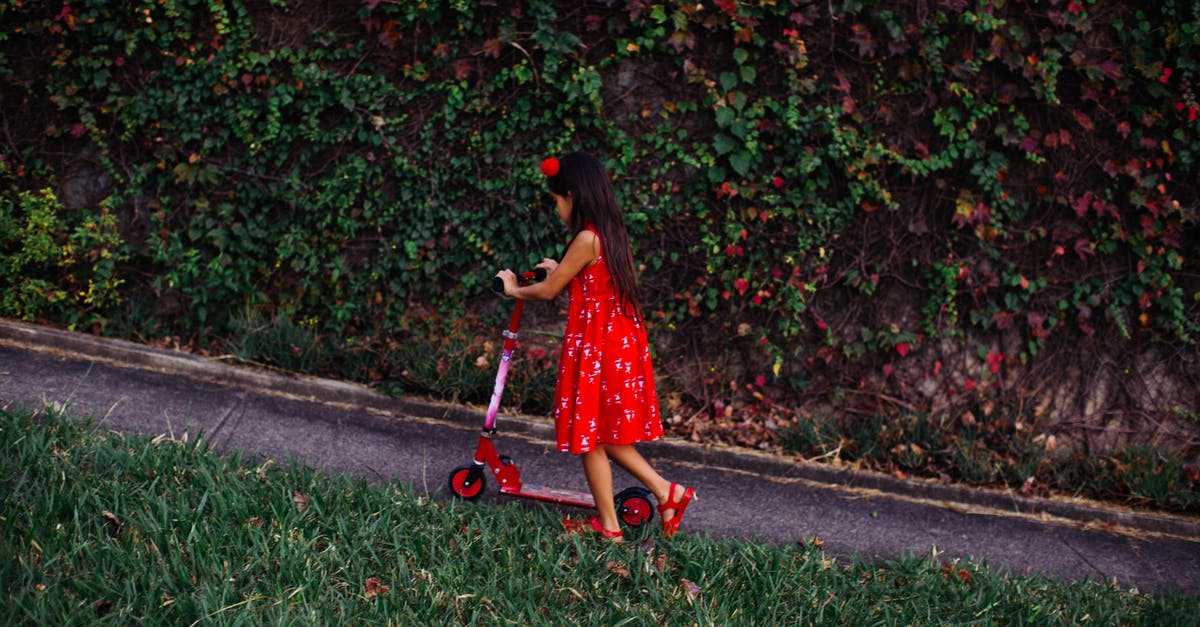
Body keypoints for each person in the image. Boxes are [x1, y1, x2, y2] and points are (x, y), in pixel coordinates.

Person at [495, 151, 696, 541]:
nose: (556, 209)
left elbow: (551, 290)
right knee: (602, 437)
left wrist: (512, 289)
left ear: (571, 194)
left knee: (591, 435)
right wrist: (561, 268)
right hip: (617, 342)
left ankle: (613, 525)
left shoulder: (586, 237)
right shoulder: (608, 231)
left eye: (556, 200)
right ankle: (664, 494)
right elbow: (590, 282)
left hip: (598, 347)